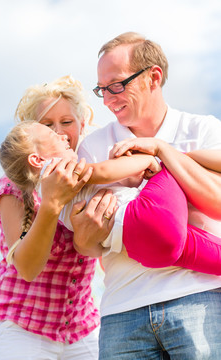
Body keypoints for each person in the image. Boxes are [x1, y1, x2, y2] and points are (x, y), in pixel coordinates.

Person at [73, 31, 221, 359]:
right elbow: (86, 246)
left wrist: (164, 153)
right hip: (122, 311)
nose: (108, 99)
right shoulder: (94, 147)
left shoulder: (203, 131)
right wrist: (86, 235)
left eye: (117, 85)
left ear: (153, 77)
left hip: (200, 300)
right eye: (102, 89)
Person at [0, 76, 115, 360]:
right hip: (20, 326)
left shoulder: (94, 175)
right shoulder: (16, 186)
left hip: (81, 326)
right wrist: (51, 203)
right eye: (47, 125)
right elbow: (27, 267)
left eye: (66, 122)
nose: (60, 131)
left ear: (81, 124)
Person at [0, 120, 221, 276]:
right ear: (37, 160)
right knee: (176, 161)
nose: (62, 135)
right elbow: (104, 172)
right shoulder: (60, 172)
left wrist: (131, 178)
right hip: (145, 217)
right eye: (50, 134)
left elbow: (116, 185)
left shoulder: (44, 190)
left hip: (140, 248)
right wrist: (150, 156)